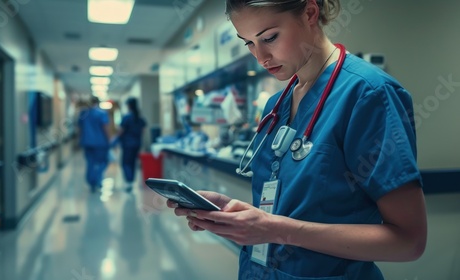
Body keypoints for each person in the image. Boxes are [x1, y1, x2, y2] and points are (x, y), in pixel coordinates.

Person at [167, 1, 428, 279]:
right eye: (249, 44)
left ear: (310, 13)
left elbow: (409, 242)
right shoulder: (275, 106)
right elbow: (289, 208)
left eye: (269, 38)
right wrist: (236, 214)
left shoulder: (368, 95)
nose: (261, 57)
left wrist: (276, 230)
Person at [78, 96, 110, 193]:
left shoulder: (83, 113)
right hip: (100, 143)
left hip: (87, 142)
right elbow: (105, 127)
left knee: (90, 162)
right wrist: (109, 139)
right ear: (98, 103)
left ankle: (91, 182)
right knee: (102, 162)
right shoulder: (102, 113)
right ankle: (97, 179)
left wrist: (80, 140)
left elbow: (80, 128)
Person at [117, 97, 146, 192]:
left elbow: (121, 131)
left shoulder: (127, 117)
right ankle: (131, 181)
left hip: (127, 144)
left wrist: (117, 139)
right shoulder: (140, 117)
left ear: (129, 105)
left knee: (126, 163)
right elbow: (143, 131)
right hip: (136, 144)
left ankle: (129, 181)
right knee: (133, 163)